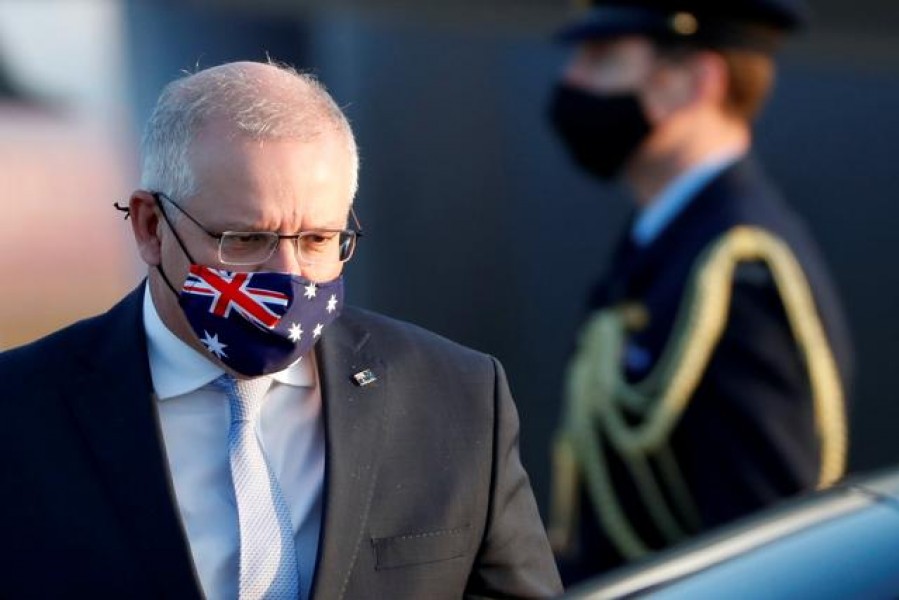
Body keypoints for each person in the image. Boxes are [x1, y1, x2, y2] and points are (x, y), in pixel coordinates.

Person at [0, 60, 562, 599]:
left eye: (319, 240)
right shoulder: (21, 412)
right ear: (150, 227)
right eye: (245, 241)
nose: (289, 279)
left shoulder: (457, 397)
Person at [544, 0, 854, 583]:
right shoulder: (666, 241)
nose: (573, 81)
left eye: (602, 58)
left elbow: (765, 552)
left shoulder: (739, 272)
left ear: (696, 80)